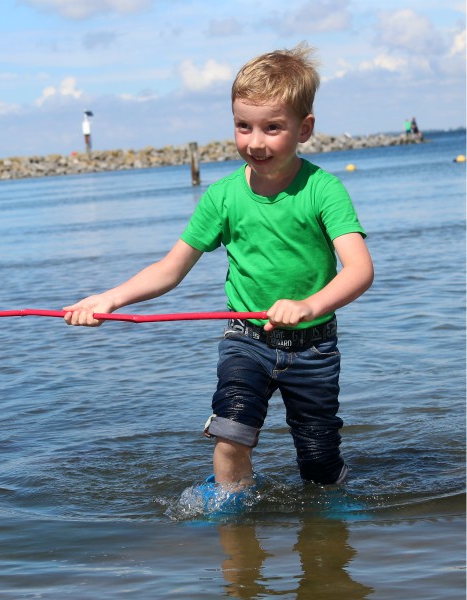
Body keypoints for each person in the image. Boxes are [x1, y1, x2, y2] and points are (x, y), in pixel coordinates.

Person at [63, 43, 374, 504]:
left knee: (318, 461)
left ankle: (329, 520)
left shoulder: (323, 190)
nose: (254, 142)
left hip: (313, 346)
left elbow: (360, 270)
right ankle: (233, 521)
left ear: (304, 129)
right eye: (242, 126)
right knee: (231, 434)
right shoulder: (223, 197)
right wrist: (109, 299)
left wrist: (310, 304)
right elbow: (171, 268)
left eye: (272, 128)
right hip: (246, 340)